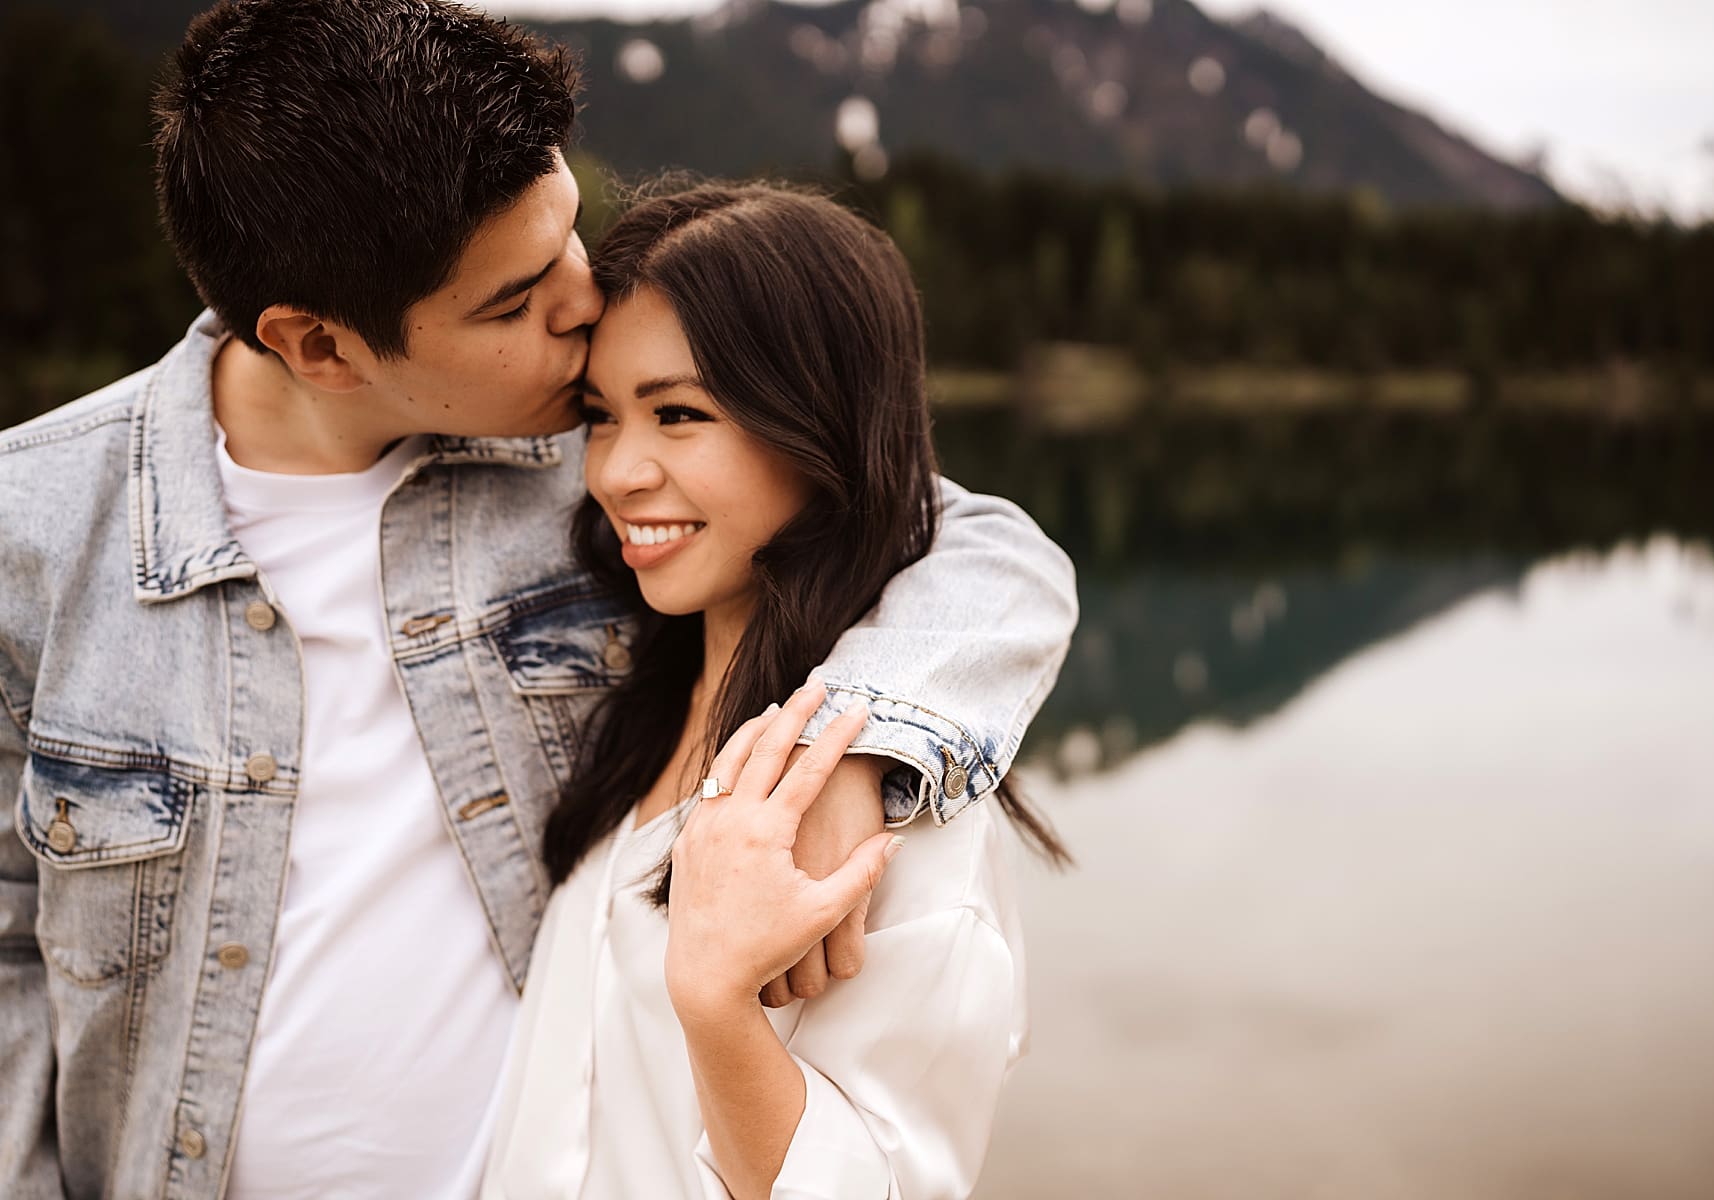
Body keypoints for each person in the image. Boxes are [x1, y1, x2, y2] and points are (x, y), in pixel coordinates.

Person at [0, 3, 1077, 1197]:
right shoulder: (35, 533)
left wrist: (860, 742)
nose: (580, 302)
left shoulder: (578, 442)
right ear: (318, 346)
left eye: (569, 231)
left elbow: (954, 535)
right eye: (510, 304)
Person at [482, 184, 1071, 1200]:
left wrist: (717, 1004)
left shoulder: (890, 813)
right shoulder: (625, 697)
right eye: (600, 416)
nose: (617, 471)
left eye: (678, 414)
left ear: (820, 430)